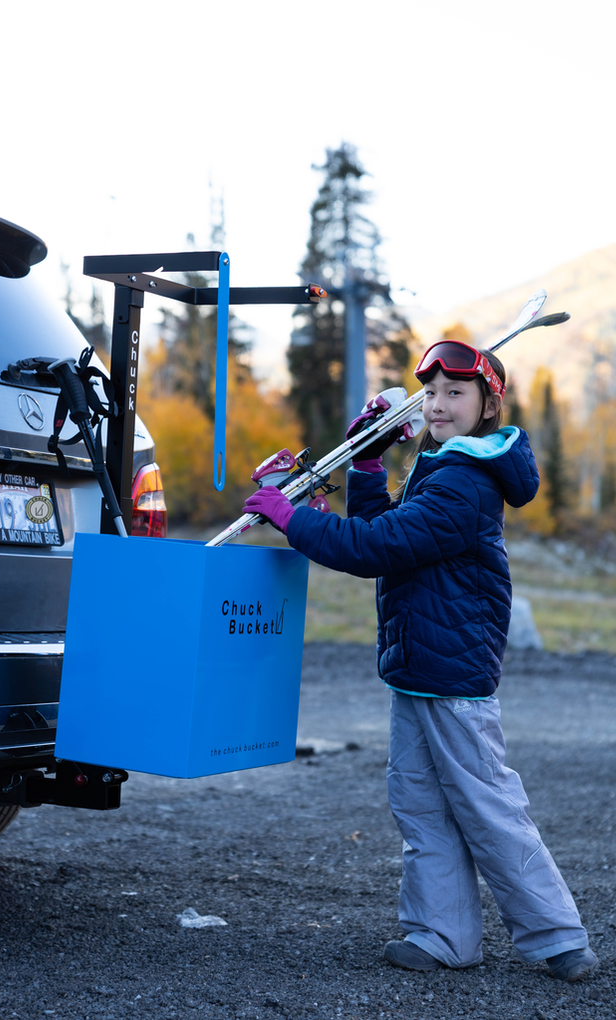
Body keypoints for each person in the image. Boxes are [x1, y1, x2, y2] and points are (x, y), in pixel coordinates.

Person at [243, 339, 598, 984]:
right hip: (419, 667)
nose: (438, 405)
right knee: (420, 804)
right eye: (431, 393)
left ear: (489, 404)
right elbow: (392, 535)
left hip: (452, 672)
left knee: (487, 805)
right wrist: (369, 467)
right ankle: (443, 934)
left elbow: (380, 545)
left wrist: (293, 519)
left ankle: (558, 936)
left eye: (455, 394)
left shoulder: (467, 480)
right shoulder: (440, 466)